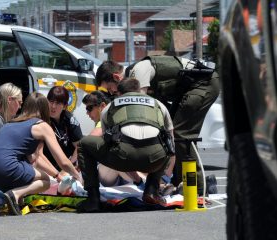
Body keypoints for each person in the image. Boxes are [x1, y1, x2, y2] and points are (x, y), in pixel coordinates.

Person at [95, 57, 220, 193]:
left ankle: (198, 189)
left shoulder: (137, 72)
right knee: (171, 135)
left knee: (180, 135)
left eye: (110, 88)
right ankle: (179, 183)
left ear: (116, 77)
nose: (112, 93)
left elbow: (139, 110)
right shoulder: (134, 80)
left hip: (204, 84)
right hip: (191, 88)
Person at [0, 92, 82, 215]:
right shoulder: (41, 125)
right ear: (45, 109)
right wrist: (77, 177)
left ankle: (14, 199)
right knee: (45, 180)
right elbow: (62, 161)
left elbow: (34, 159)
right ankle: (15, 194)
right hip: (3, 167)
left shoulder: (11, 123)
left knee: (25, 170)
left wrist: (57, 176)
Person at [77, 78, 175, 212]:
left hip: (123, 159)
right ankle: (152, 190)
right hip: (155, 160)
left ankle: (93, 199)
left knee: (84, 144)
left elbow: (107, 139)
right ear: (139, 90)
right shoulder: (158, 104)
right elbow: (171, 139)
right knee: (165, 145)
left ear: (119, 93)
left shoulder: (111, 106)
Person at [82, 90, 144, 187]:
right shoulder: (110, 120)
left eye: (89, 108)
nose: (87, 113)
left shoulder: (104, 121)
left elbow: (84, 142)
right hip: (116, 172)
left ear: (102, 106)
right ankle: (151, 185)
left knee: (115, 157)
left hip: (117, 172)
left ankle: (149, 184)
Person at [43, 86, 83, 170]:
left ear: (65, 106)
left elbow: (79, 146)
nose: (53, 106)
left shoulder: (70, 120)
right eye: (51, 101)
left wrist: (70, 165)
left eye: (58, 103)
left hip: (68, 164)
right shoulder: (42, 120)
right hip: (48, 166)